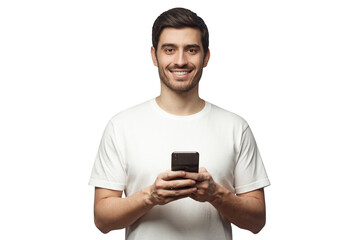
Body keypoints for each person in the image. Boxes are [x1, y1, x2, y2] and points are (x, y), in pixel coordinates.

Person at [89, 7, 270, 240]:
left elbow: (257, 222)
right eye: (170, 50)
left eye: (191, 50)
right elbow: (102, 220)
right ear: (155, 56)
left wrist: (216, 195)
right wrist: (150, 196)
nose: (180, 61)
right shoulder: (121, 126)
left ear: (206, 57)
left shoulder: (236, 127)